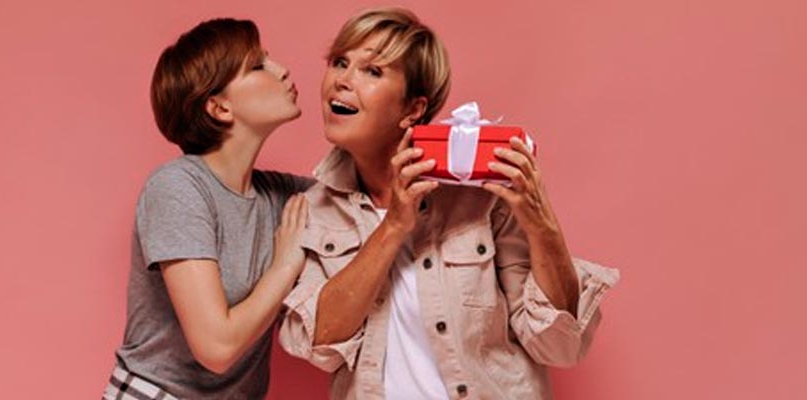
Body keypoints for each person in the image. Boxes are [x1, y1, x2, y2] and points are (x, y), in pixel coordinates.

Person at [279, 7, 620, 399]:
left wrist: (544, 228)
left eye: (372, 71)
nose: (342, 81)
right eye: (340, 62)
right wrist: (393, 226)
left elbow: (561, 346)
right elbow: (320, 345)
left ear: (413, 109)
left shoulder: (480, 197)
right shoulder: (315, 209)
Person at [104, 18, 313, 400]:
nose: (282, 71)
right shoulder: (178, 188)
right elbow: (216, 348)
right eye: (258, 66)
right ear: (219, 107)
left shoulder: (281, 196)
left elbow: (363, 199)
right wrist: (286, 264)